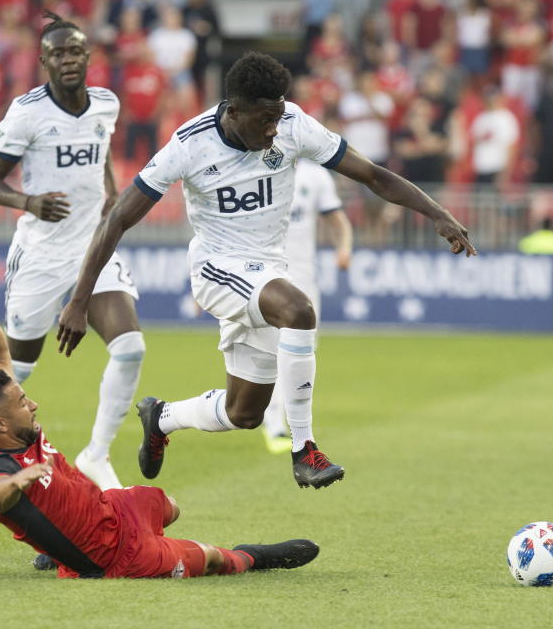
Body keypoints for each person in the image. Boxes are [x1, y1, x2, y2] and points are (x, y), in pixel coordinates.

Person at [57, 52, 476, 490]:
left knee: (244, 413)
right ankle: (304, 449)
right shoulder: (189, 144)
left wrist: (436, 212)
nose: (274, 128)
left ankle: (162, 417)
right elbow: (118, 218)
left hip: (267, 268)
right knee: (298, 310)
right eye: (265, 119)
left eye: (278, 116)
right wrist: (80, 300)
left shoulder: (293, 124)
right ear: (234, 112)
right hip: (218, 268)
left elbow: (371, 175)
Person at [0, 279, 320, 579]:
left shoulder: (12, 425)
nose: (32, 405)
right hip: (114, 556)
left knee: (169, 506)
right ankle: (253, 556)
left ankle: (58, 547)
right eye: (21, 404)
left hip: (112, 508)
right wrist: (19, 481)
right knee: (214, 557)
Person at [0, 13, 145, 493]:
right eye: (58, 54)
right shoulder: (27, 113)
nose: (68, 60)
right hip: (41, 255)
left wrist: (110, 191)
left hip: (93, 247)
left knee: (130, 348)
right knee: (16, 373)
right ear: (44, 61)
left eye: (75, 51)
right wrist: (27, 202)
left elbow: (103, 149)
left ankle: (97, 453)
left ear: (88, 57)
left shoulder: (106, 105)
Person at [261, 159, 352, 454]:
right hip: (266, 275)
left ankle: (292, 423)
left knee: (303, 352)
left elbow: (336, 219)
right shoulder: (257, 167)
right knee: (273, 350)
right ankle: (274, 422)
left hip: (304, 280)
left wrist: (344, 247)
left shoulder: (315, 175)